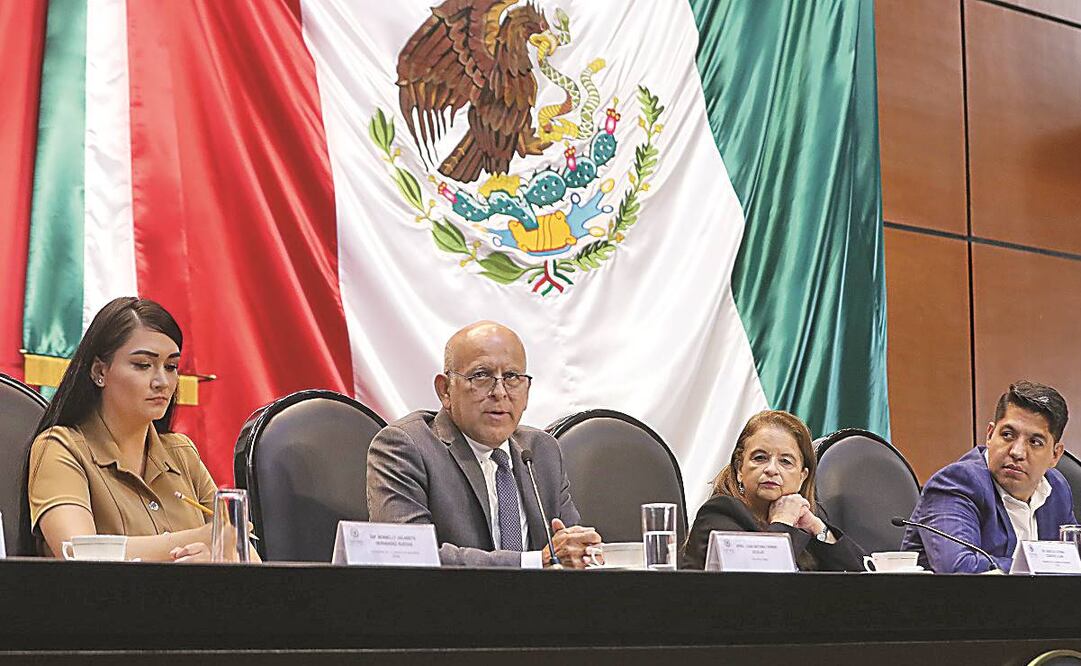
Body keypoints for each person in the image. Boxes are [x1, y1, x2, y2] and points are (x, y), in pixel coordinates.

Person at [27, 297, 251, 562]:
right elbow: (77, 554)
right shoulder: (59, 447)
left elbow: (247, 558)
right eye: (143, 365)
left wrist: (215, 559)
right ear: (100, 371)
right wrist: (200, 540)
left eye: (171, 367)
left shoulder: (182, 452)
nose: (162, 382)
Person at [367, 321, 601, 567]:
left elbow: (572, 547)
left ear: (527, 390)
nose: (499, 392)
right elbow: (405, 556)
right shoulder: (404, 446)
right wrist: (532, 562)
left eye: (511, 377)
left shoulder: (542, 451)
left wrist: (582, 552)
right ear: (445, 390)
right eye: (481, 376)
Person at [902, 381, 1076, 573]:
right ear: (990, 434)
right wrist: (1040, 566)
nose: (1017, 452)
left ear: (1055, 455)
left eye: (1034, 442)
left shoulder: (1055, 488)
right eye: (1008, 435)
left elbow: (1074, 560)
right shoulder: (956, 484)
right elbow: (958, 569)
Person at [682, 410, 864, 571]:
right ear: (739, 470)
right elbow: (758, 586)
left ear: (802, 477)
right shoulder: (720, 514)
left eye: (785, 461)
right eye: (760, 458)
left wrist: (818, 529)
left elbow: (865, 580)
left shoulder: (806, 522)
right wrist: (783, 521)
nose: (771, 469)